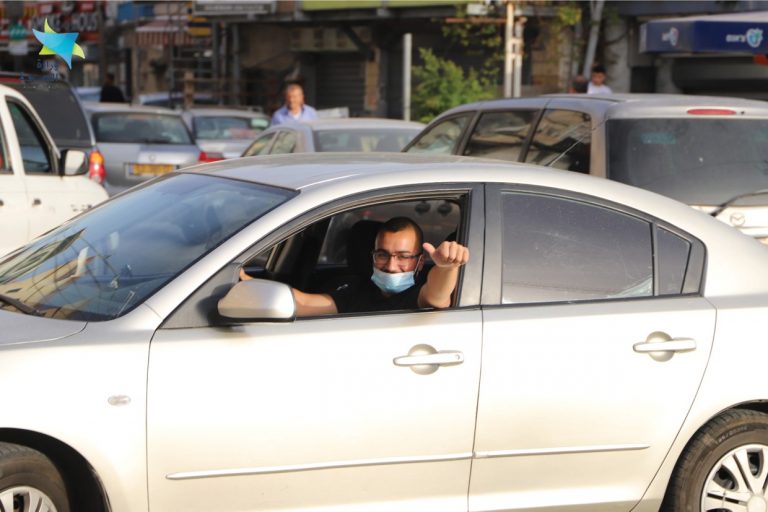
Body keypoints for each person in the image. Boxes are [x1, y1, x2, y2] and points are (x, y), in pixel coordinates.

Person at [240, 217, 469, 317]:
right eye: (383, 255)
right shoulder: (356, 289)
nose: (391, 266)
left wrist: (447, 267)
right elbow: (304, 303)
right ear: (373, 256)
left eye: (403, 257)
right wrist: (242, 278)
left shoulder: (419, 293)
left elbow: (437, 296)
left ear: (419, 262)